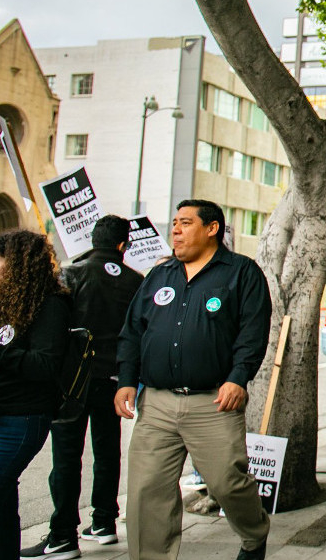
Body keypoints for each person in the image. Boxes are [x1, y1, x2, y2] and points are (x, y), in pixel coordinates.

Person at [115, 199, 272, 560]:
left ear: (211, 228)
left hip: (214, 402)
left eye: (185, 223)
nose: (176, 229)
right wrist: (126, 379)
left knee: (227, 484)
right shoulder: (160, 275)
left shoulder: (241, 272)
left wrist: (238, 378)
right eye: (174, 223)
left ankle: (254, 534)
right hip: (156, 404)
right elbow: (133, 330)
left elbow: (252, 332)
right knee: (146, 492)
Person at [20, 217, 144, 559]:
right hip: (114, 379)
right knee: (107, 451)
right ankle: (104, 522)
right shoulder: (137, 281)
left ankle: (62, 534)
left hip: (73, 379)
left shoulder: (72, 274)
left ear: (93, 239)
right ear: (123, 245)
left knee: (66, 457)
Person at [0, 230, 72, 559]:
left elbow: (44, 367)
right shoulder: (10, 303)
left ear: (17, 265)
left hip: (17, 422)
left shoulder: (52, 306)